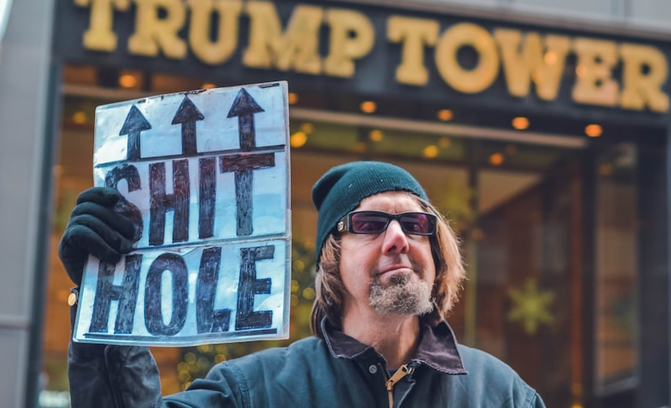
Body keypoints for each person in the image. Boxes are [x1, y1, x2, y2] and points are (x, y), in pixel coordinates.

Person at [59, 160, 546, 407]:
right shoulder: (255, 392)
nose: (399, 238)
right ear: (332, 259)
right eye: (372, 223)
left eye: (417, 225)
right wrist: (107, 296)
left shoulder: (501, 395)